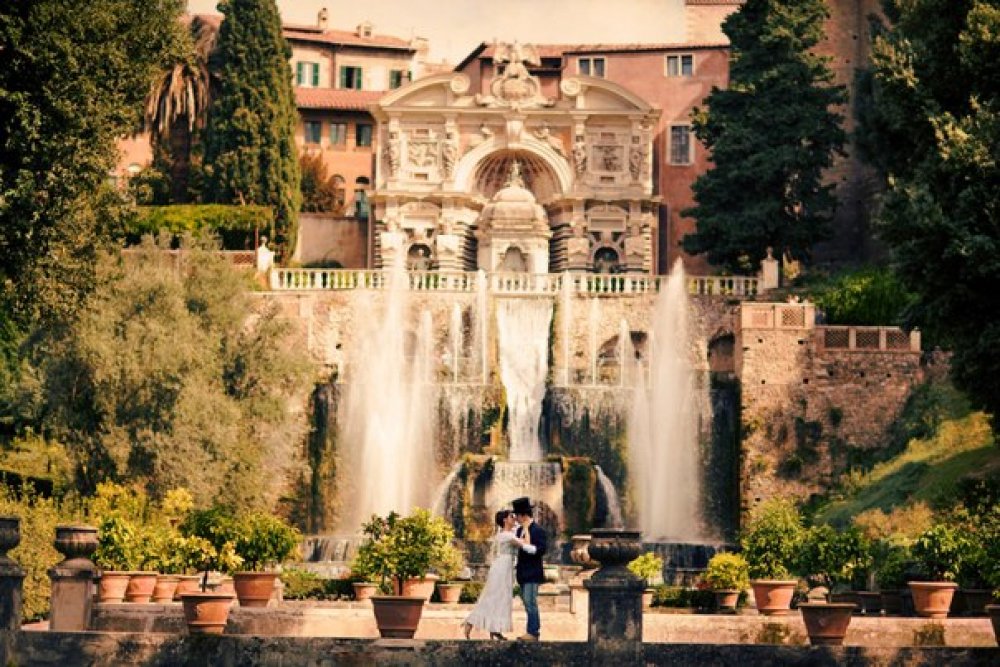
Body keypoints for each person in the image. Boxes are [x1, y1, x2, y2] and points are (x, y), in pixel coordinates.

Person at [462, 509, 526, 640]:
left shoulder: (507, 534)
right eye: (511, 517)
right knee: (493, 596)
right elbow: (523, 544)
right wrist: (526, 526)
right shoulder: (506, 536)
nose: (514, 518)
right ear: (505, 520)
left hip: (505, 566)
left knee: (501, 598)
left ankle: (495, 629)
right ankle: (471, 621)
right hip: (502, 567)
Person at [511, 496, 547, 641]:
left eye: (517, 515)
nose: (516, 518)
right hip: (522, 573)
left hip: (532, 573)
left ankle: (533, 632)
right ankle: (532, 631)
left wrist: (526, 546)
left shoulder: (538, 530)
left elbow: (541, 550)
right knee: (527, 603)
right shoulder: (519, 530)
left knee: (530, 601)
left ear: (523, 515)